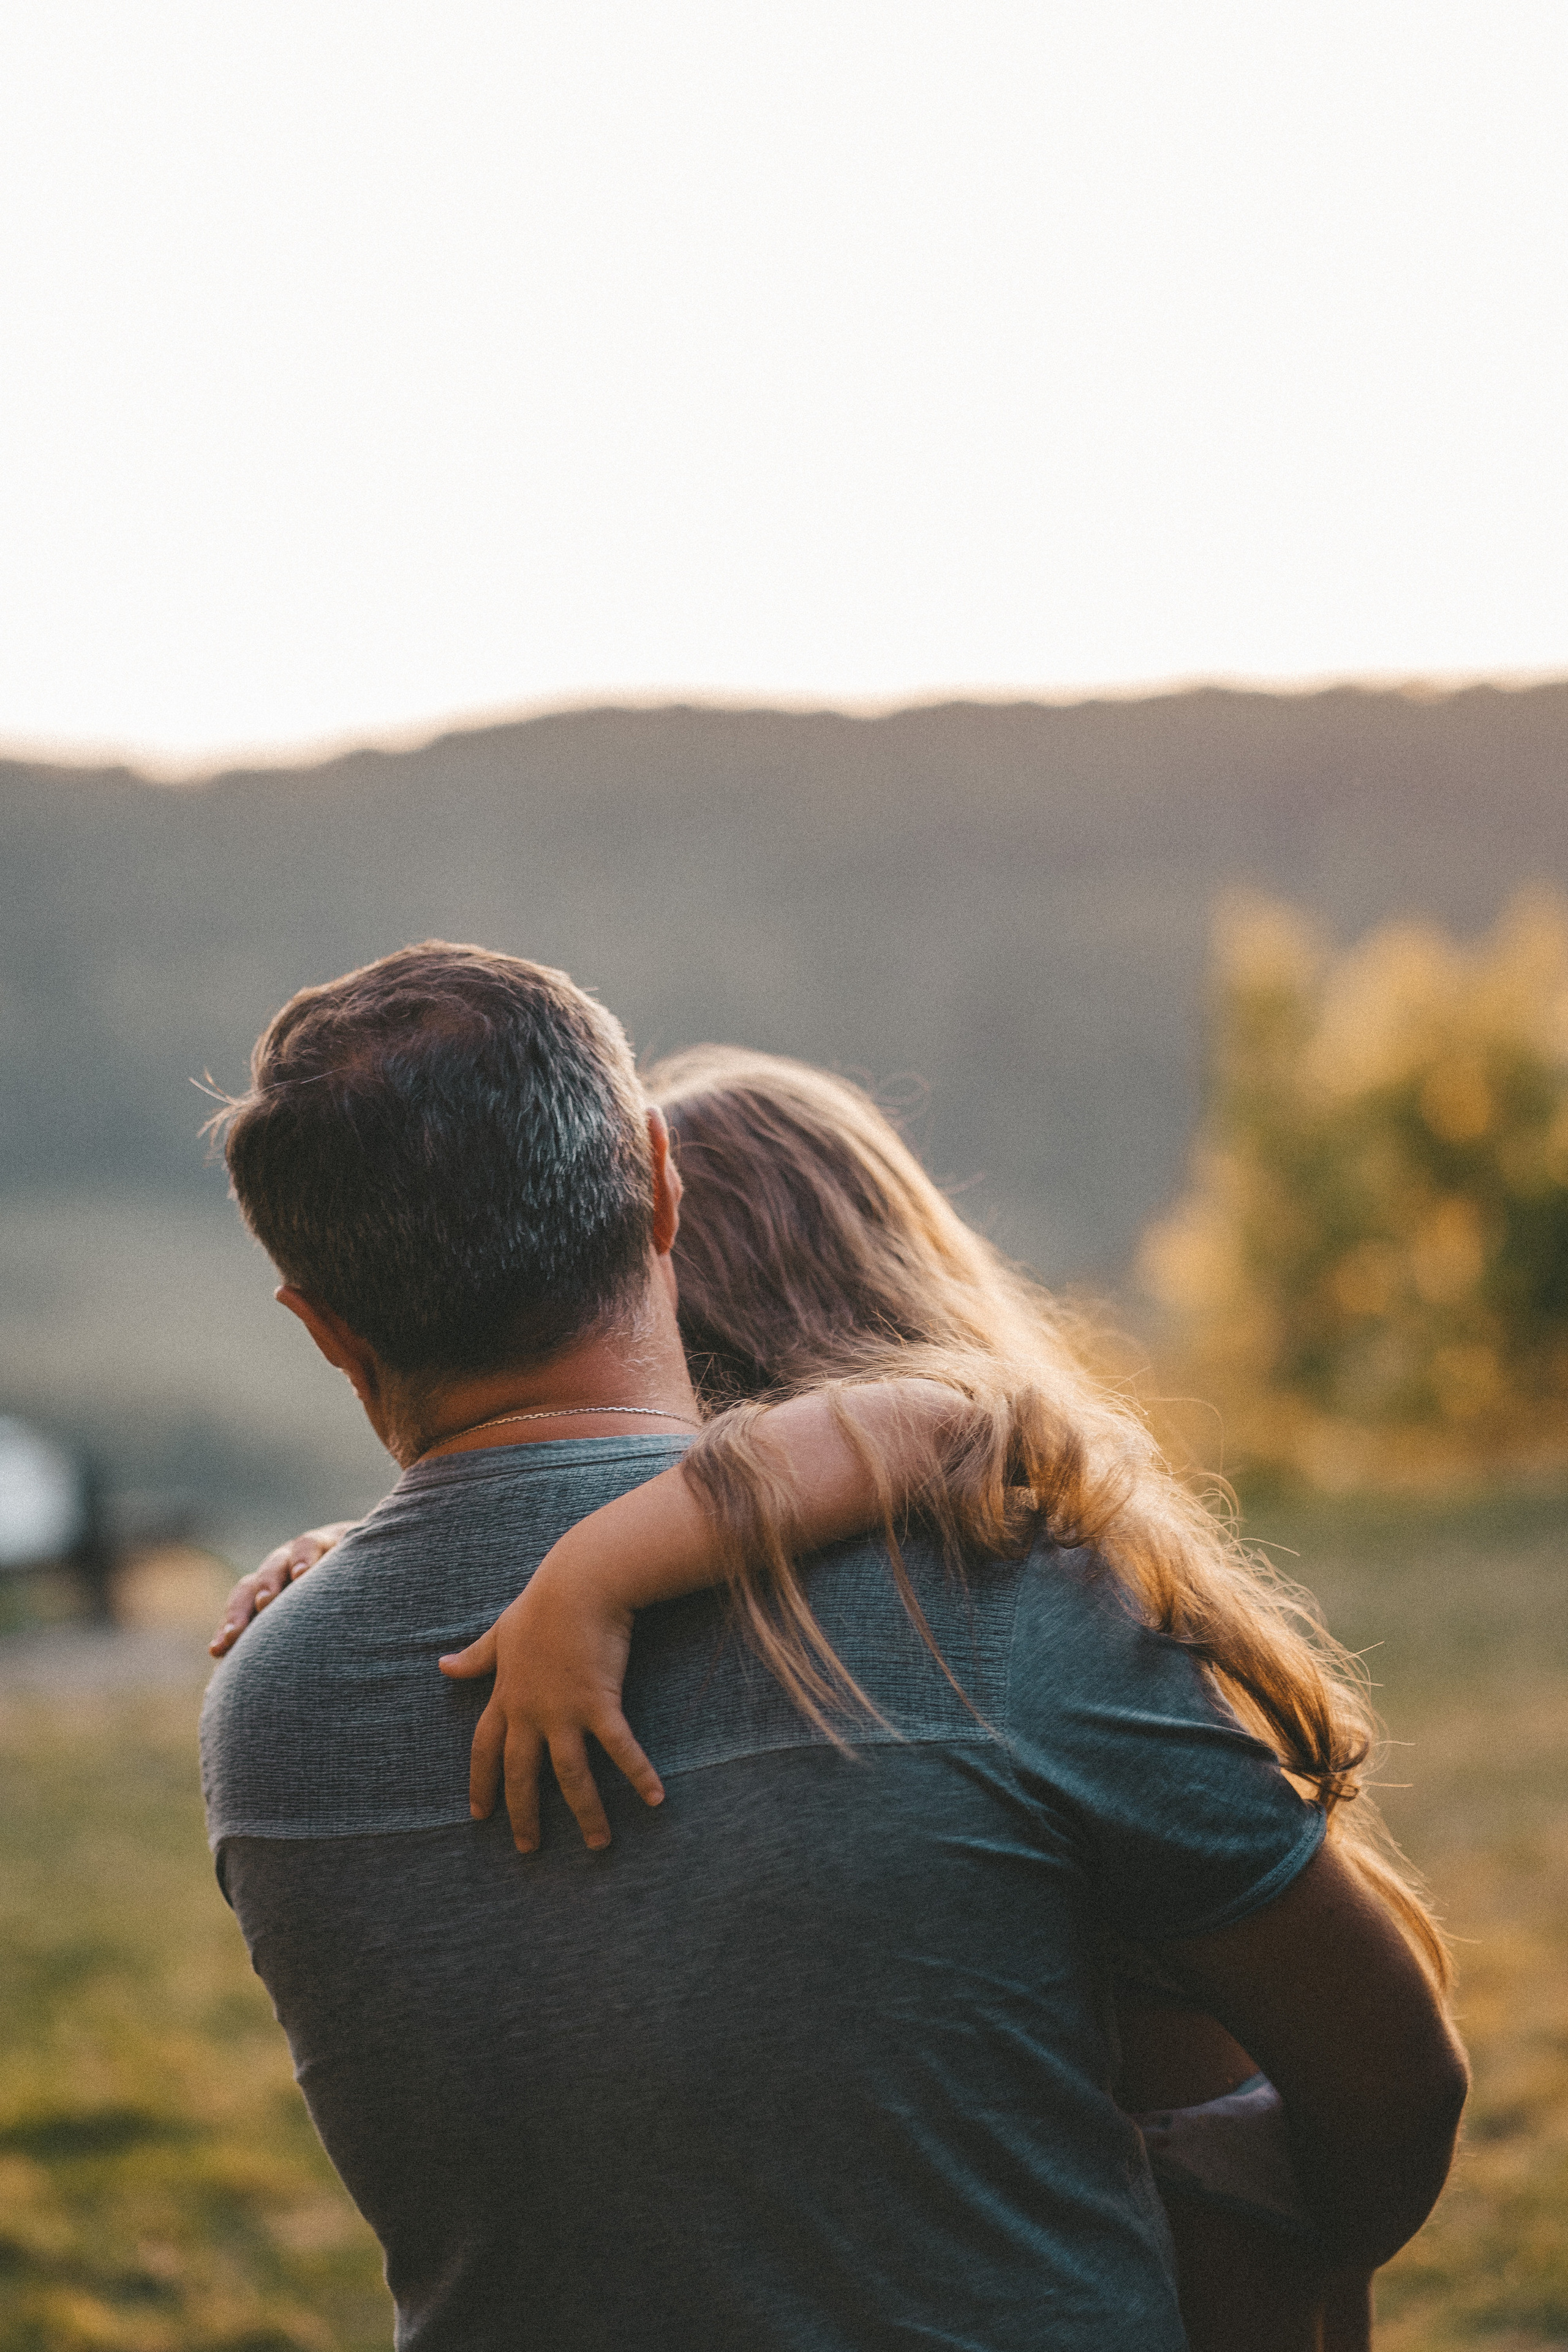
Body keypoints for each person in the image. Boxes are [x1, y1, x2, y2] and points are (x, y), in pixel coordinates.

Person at [202, 947, 1467, 2352]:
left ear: (319, 1324)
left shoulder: (263, 1707)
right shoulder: (982, 1589)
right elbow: (1388, 2076)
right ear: (658, 1188)